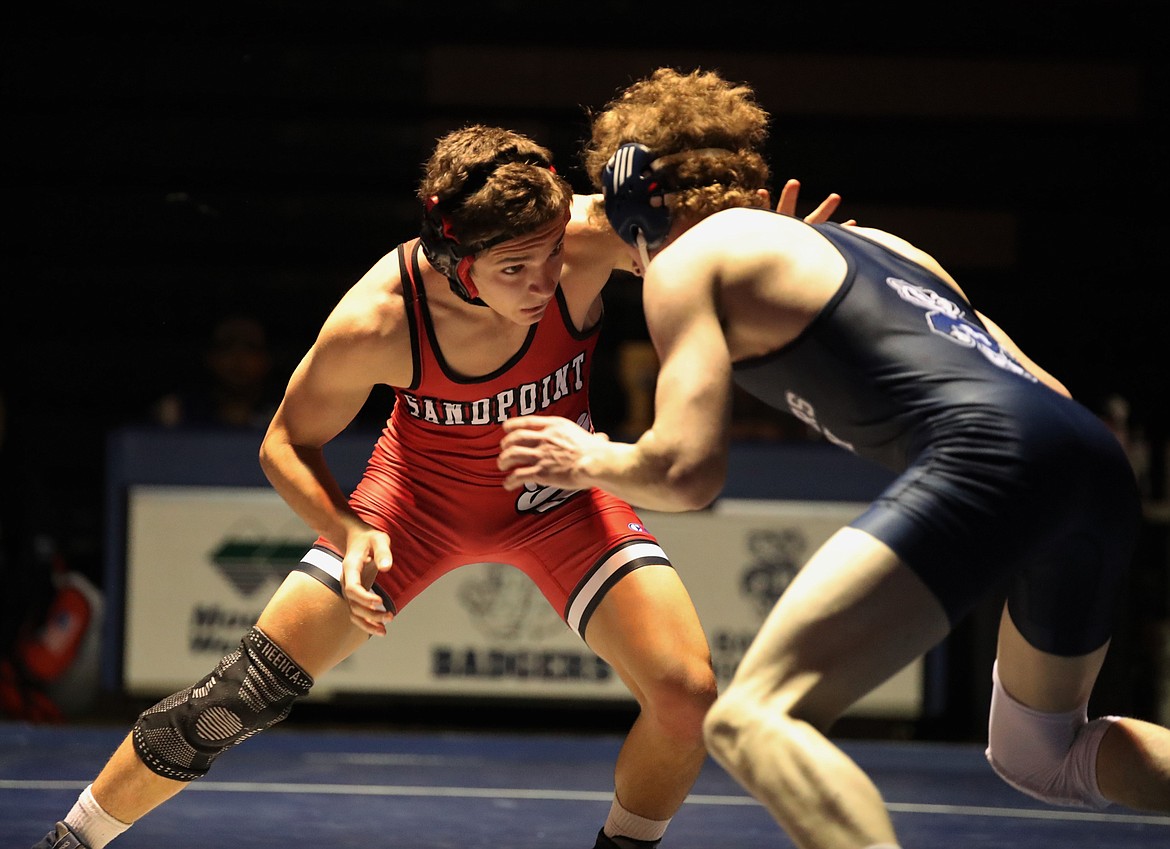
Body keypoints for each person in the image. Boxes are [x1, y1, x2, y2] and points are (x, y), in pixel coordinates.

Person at [31, 123, 842, 849]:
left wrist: (781, 263)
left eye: (552, 254)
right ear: (455, 266)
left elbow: (722, 266)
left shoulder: (592, 237)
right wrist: (347, 529)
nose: (543, 280)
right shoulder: (380, 320)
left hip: (558, 494)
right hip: (412, 504)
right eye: (515, 267)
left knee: (687, 695)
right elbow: (286, 440)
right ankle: (71, 842)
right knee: (240, 695)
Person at [498, 68, 1170, 849]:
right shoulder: (881, 244)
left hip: (995, 453)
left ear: (630, 195)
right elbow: (1043, 390)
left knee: (754, 718)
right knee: (1044, 754)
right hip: (1091, 465)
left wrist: (588, 456)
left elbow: (686, 472)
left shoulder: (685, 265)